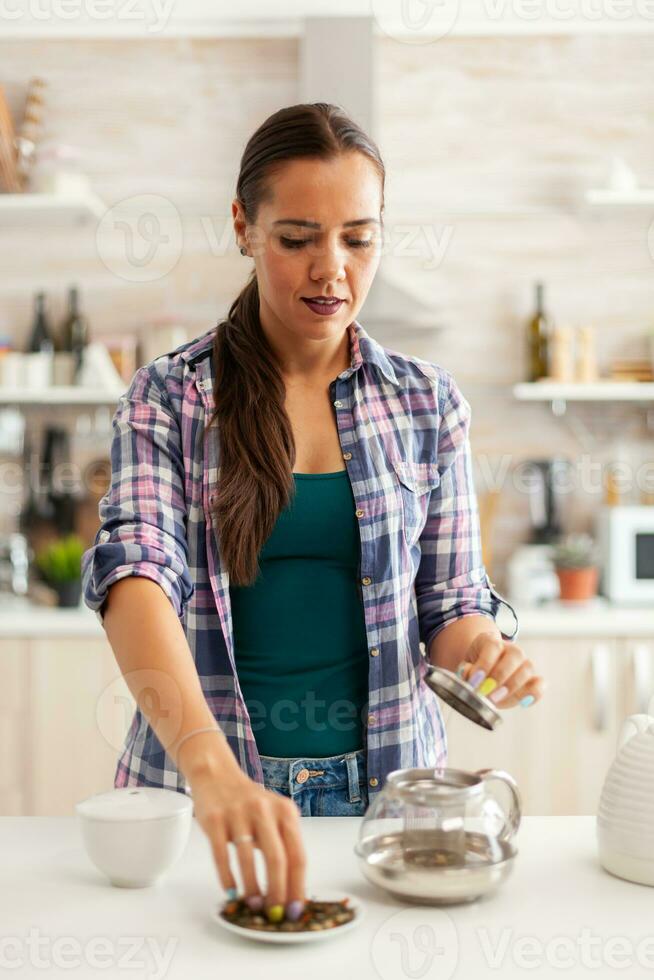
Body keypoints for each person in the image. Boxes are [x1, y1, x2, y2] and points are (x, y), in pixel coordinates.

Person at [82, 102, 545, 924]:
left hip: (391, 804)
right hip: (203, 799)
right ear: (244, 227)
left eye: (357, 238)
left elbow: (449, 602)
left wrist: (483, 650)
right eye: (297, 238)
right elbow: (135, 574)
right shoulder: (170, 398)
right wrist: (214, 772)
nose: (330, 269)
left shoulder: (427, 403)